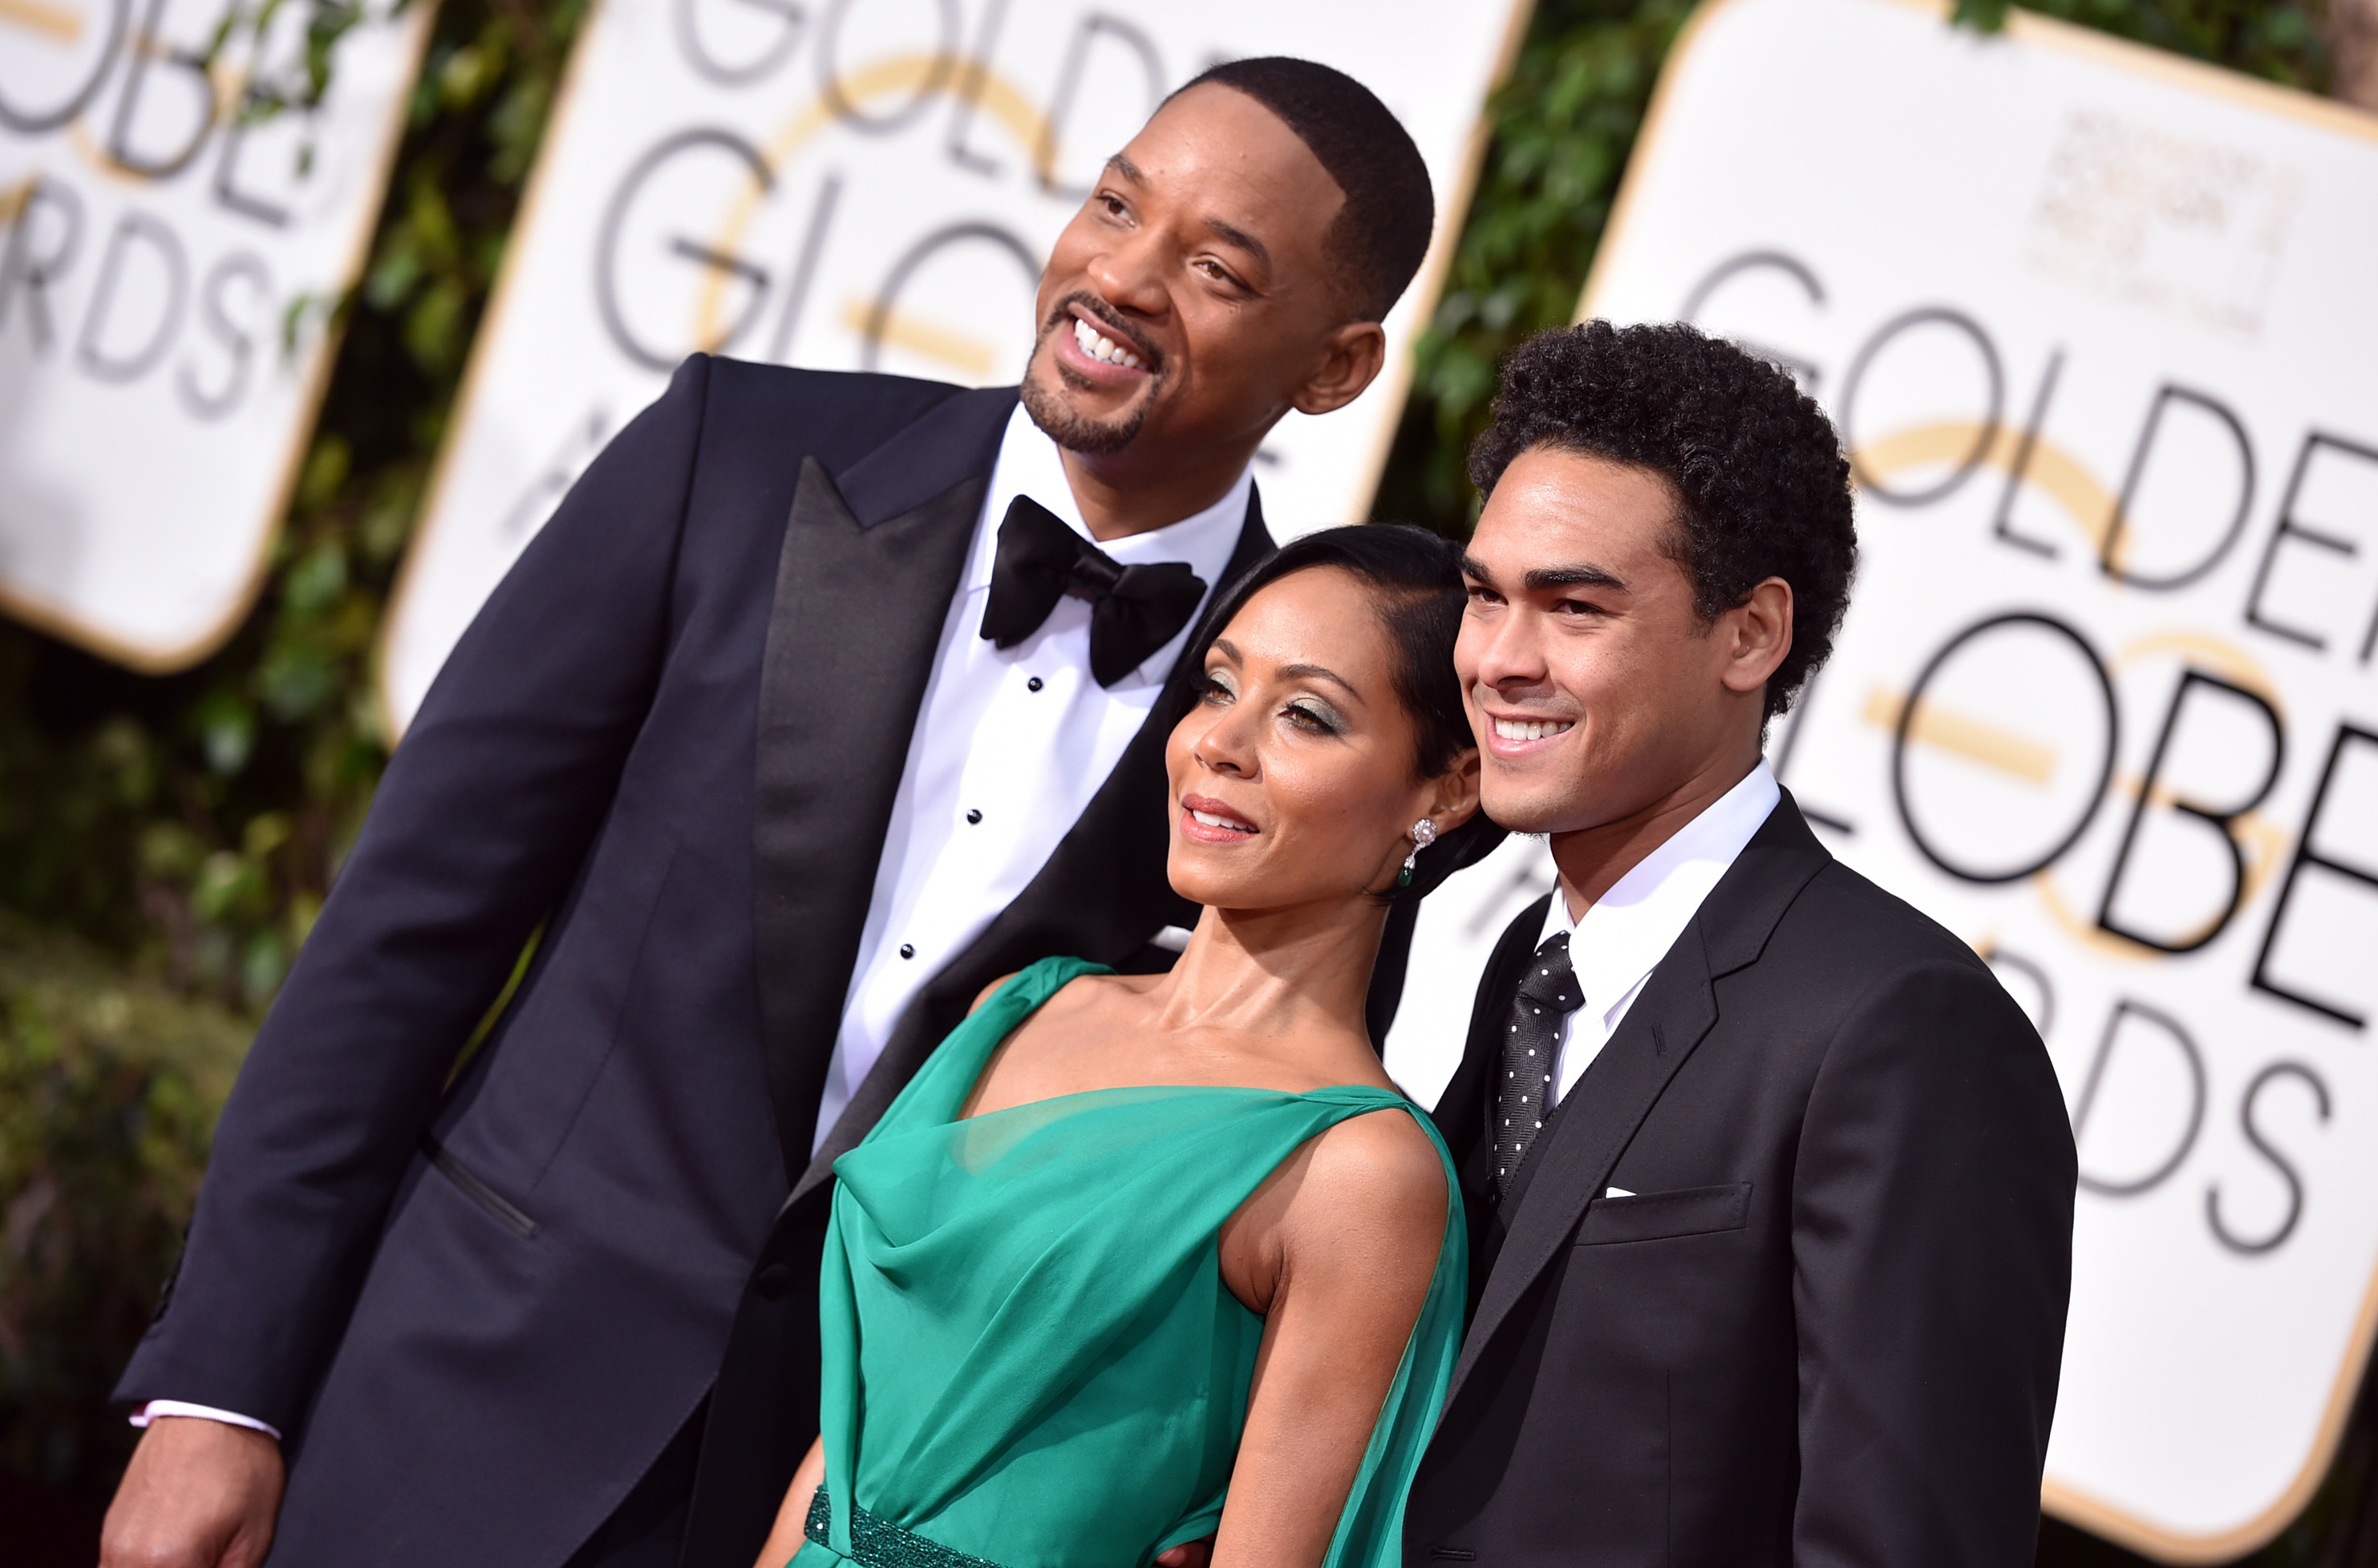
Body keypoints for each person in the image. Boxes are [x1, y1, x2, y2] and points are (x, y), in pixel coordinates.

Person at [102, 58, 1438, 1568]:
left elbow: (1244, 1200)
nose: (1120, 276)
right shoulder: (733, 460)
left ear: (1333, 370)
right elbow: (405, 933)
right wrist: (219, 1383)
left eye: (1212, 268)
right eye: (1114, 202)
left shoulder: (1299, 732)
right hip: (443, 1418)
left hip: (842, 1511)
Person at [1404, 321, 2079, 1565]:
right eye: (1486, 596)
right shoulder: (1528, 967)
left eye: (1575, 607)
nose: (1500, 658)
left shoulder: (1898, 1029)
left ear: (1751, 636)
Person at [750, 524, 1498, 1568]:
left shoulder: (1360, 1175)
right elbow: (841, 1455)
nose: (1219, 745)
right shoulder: (1018, 1010)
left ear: (1447, 790)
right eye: (1215, 686)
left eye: (1305, 715)